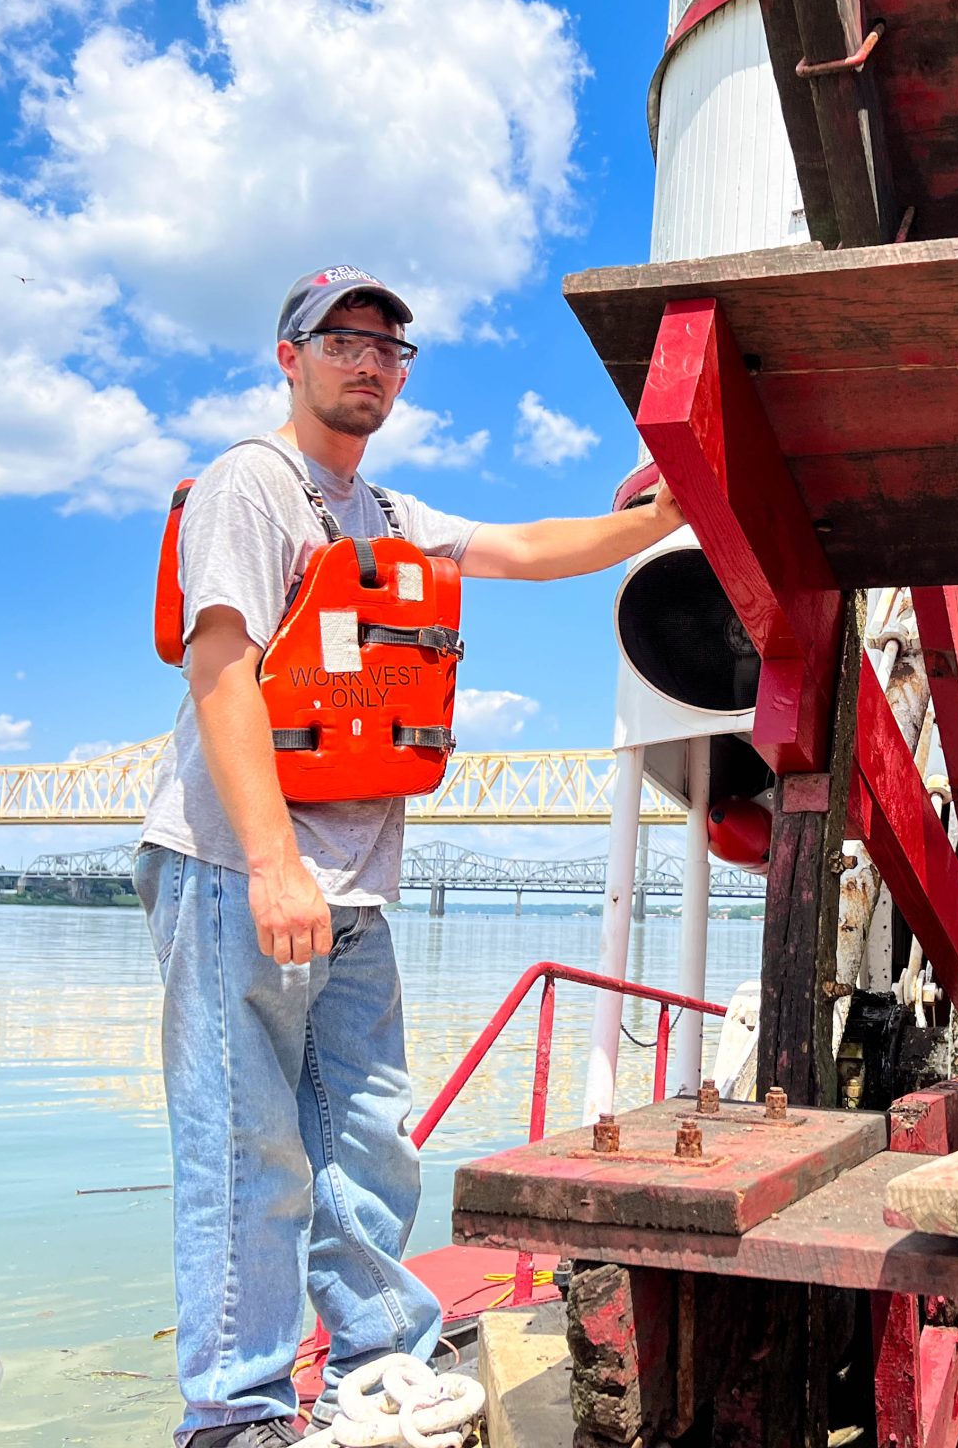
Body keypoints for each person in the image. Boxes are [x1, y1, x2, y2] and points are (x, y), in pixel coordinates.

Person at [136, 266, 686, 1447]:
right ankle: (232, 1416)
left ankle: (376, 1364)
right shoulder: (253, 484)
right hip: (240, 871)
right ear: (290, 359)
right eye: (343, 341)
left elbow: (533, 548)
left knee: (369, 1138)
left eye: (391, 349)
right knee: (250, 1151)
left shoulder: (388, 516)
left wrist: (667, 516)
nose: (370, 363)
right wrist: (274, 861)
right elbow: (220, 667)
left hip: (352, 889)